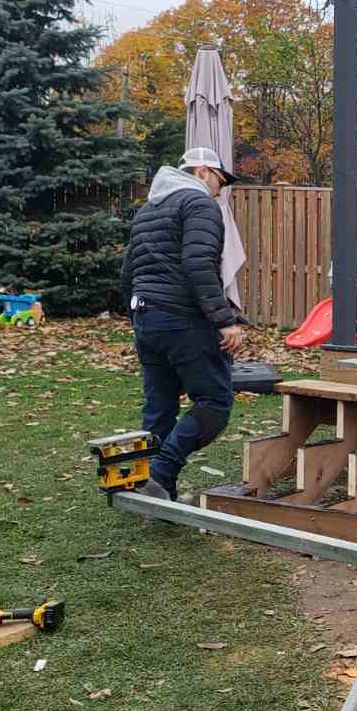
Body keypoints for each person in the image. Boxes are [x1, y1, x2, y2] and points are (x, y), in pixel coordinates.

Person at [121, 146, 247, 502]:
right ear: (203, 172)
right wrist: (224, 320)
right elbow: (198, 264)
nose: (219, 192)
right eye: (220, 183)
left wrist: (137, 315)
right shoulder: (199, 204)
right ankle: (162, 471)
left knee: (159, 407)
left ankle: (151, 488)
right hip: (183, 319)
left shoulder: (149, 209)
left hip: (146, 316)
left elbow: (128, 271)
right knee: (215, 402)